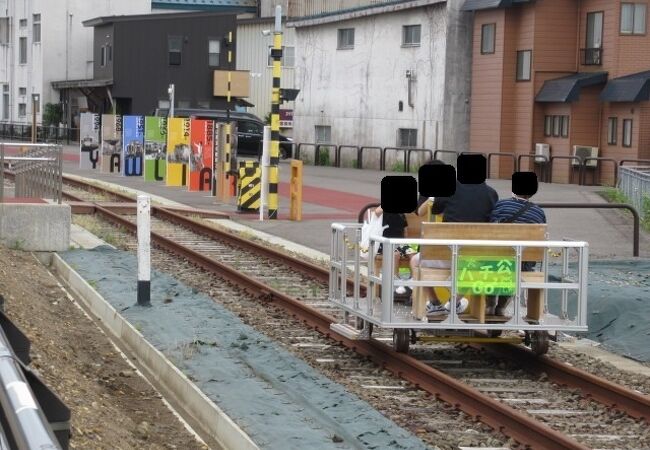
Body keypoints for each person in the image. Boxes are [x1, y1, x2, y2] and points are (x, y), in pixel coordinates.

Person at [411, 174, 499, 316]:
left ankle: (435, 303)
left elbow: (436, 209)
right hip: (476, 258)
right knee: (475, 264)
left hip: (447, 256)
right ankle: (455, 302)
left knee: (415, 261)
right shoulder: (491, 193)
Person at [487, 191, 546, 316]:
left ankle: (490, 304)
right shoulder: (539, 212)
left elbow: (490, 227)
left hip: (497, 259)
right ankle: (501, 307)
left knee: (495, 264)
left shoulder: (501, 205)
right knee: (515, 268)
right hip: (522, 263)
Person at [373, 206, 416, 295]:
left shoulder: (401, 214)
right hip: (385, 242)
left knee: (413, 254)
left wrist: (405, 242)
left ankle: (413, 281)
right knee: (395, 254)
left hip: (400, 242)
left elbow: (405, 230)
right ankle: (394, 282)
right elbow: (376, 213)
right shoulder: (382, 212)